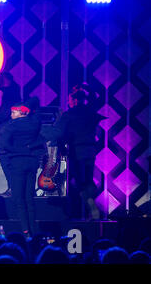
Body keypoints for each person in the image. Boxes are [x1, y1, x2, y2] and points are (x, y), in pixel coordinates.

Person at [50, 84, 104, 220]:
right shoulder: (90, 111)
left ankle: (88, 203)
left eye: (69, 99)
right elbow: (96, 96)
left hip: (76, 150)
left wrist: (62, 150)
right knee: (88, 179)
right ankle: (90, 204)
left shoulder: (68, 115)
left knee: (78, 181)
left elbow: (59, 134)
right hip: (90, 150)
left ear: (73, 100)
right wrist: (84, 87)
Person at [0, 101, 42, 237]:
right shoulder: (35, 123)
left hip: (18, 162)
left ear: (21, 112)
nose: (11, 115)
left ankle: (26, 232)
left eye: (13, 112)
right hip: (32, 162)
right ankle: (33, 231)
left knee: (19, 199)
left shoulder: (11, 125)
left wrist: (17, 150)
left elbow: (4, 144)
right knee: (29, 198)